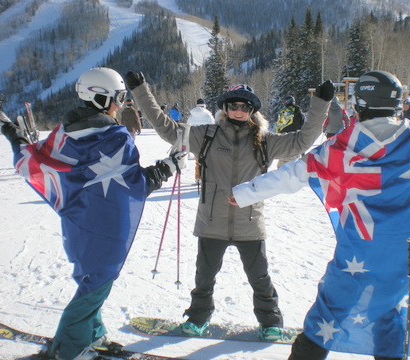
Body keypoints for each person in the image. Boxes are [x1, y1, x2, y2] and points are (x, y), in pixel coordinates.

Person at [229, 70, 410, 359]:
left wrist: (245, 193)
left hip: (356, 255)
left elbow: (290, 174)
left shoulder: (337, 149)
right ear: (396, 103)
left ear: (359, 104)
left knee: (327, 315)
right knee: (387, 315)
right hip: (401, 256)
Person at [0, 67, 186, 360]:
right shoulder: (116, 137)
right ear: (101, 98)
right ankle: (70, 347)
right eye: (119, 97)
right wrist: (168, 167)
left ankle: (93, 333)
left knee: (90, 279)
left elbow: (34, 158)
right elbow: (133, 184)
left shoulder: (63, 134)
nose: (121, 105)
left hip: (78, 223)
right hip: (107, 226)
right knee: (96, 284)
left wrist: (10, 132)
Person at [125, 71, 334, 341]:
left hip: (250, 223)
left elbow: (302, 141)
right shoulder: (207, 136)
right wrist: (141, 90)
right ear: (224, 108)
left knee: (260, 278)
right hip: (212, 221)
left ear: (252, 111)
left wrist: (320, 103)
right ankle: (198, 319)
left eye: (244, 106)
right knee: (204, 278)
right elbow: (168, 129)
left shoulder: (265, 140)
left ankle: (270, 323)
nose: (238, 110)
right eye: (233, 105)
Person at [186, 98, 215, 184]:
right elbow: (213, 126)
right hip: (206, 139)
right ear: (204, 105)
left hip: (194, 140)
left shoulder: (192, 115)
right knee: (208, 159)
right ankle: (207, 177)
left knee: (197, 160)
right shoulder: (208, 114)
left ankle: (198, 177)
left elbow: (188, 126)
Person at [274, 95, 305, 168]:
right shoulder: (299, 112)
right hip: (296, 138)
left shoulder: (284, 112)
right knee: (294, 160)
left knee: (282, 164)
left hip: (284, 139)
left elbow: (279, 126)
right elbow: (302, 124)